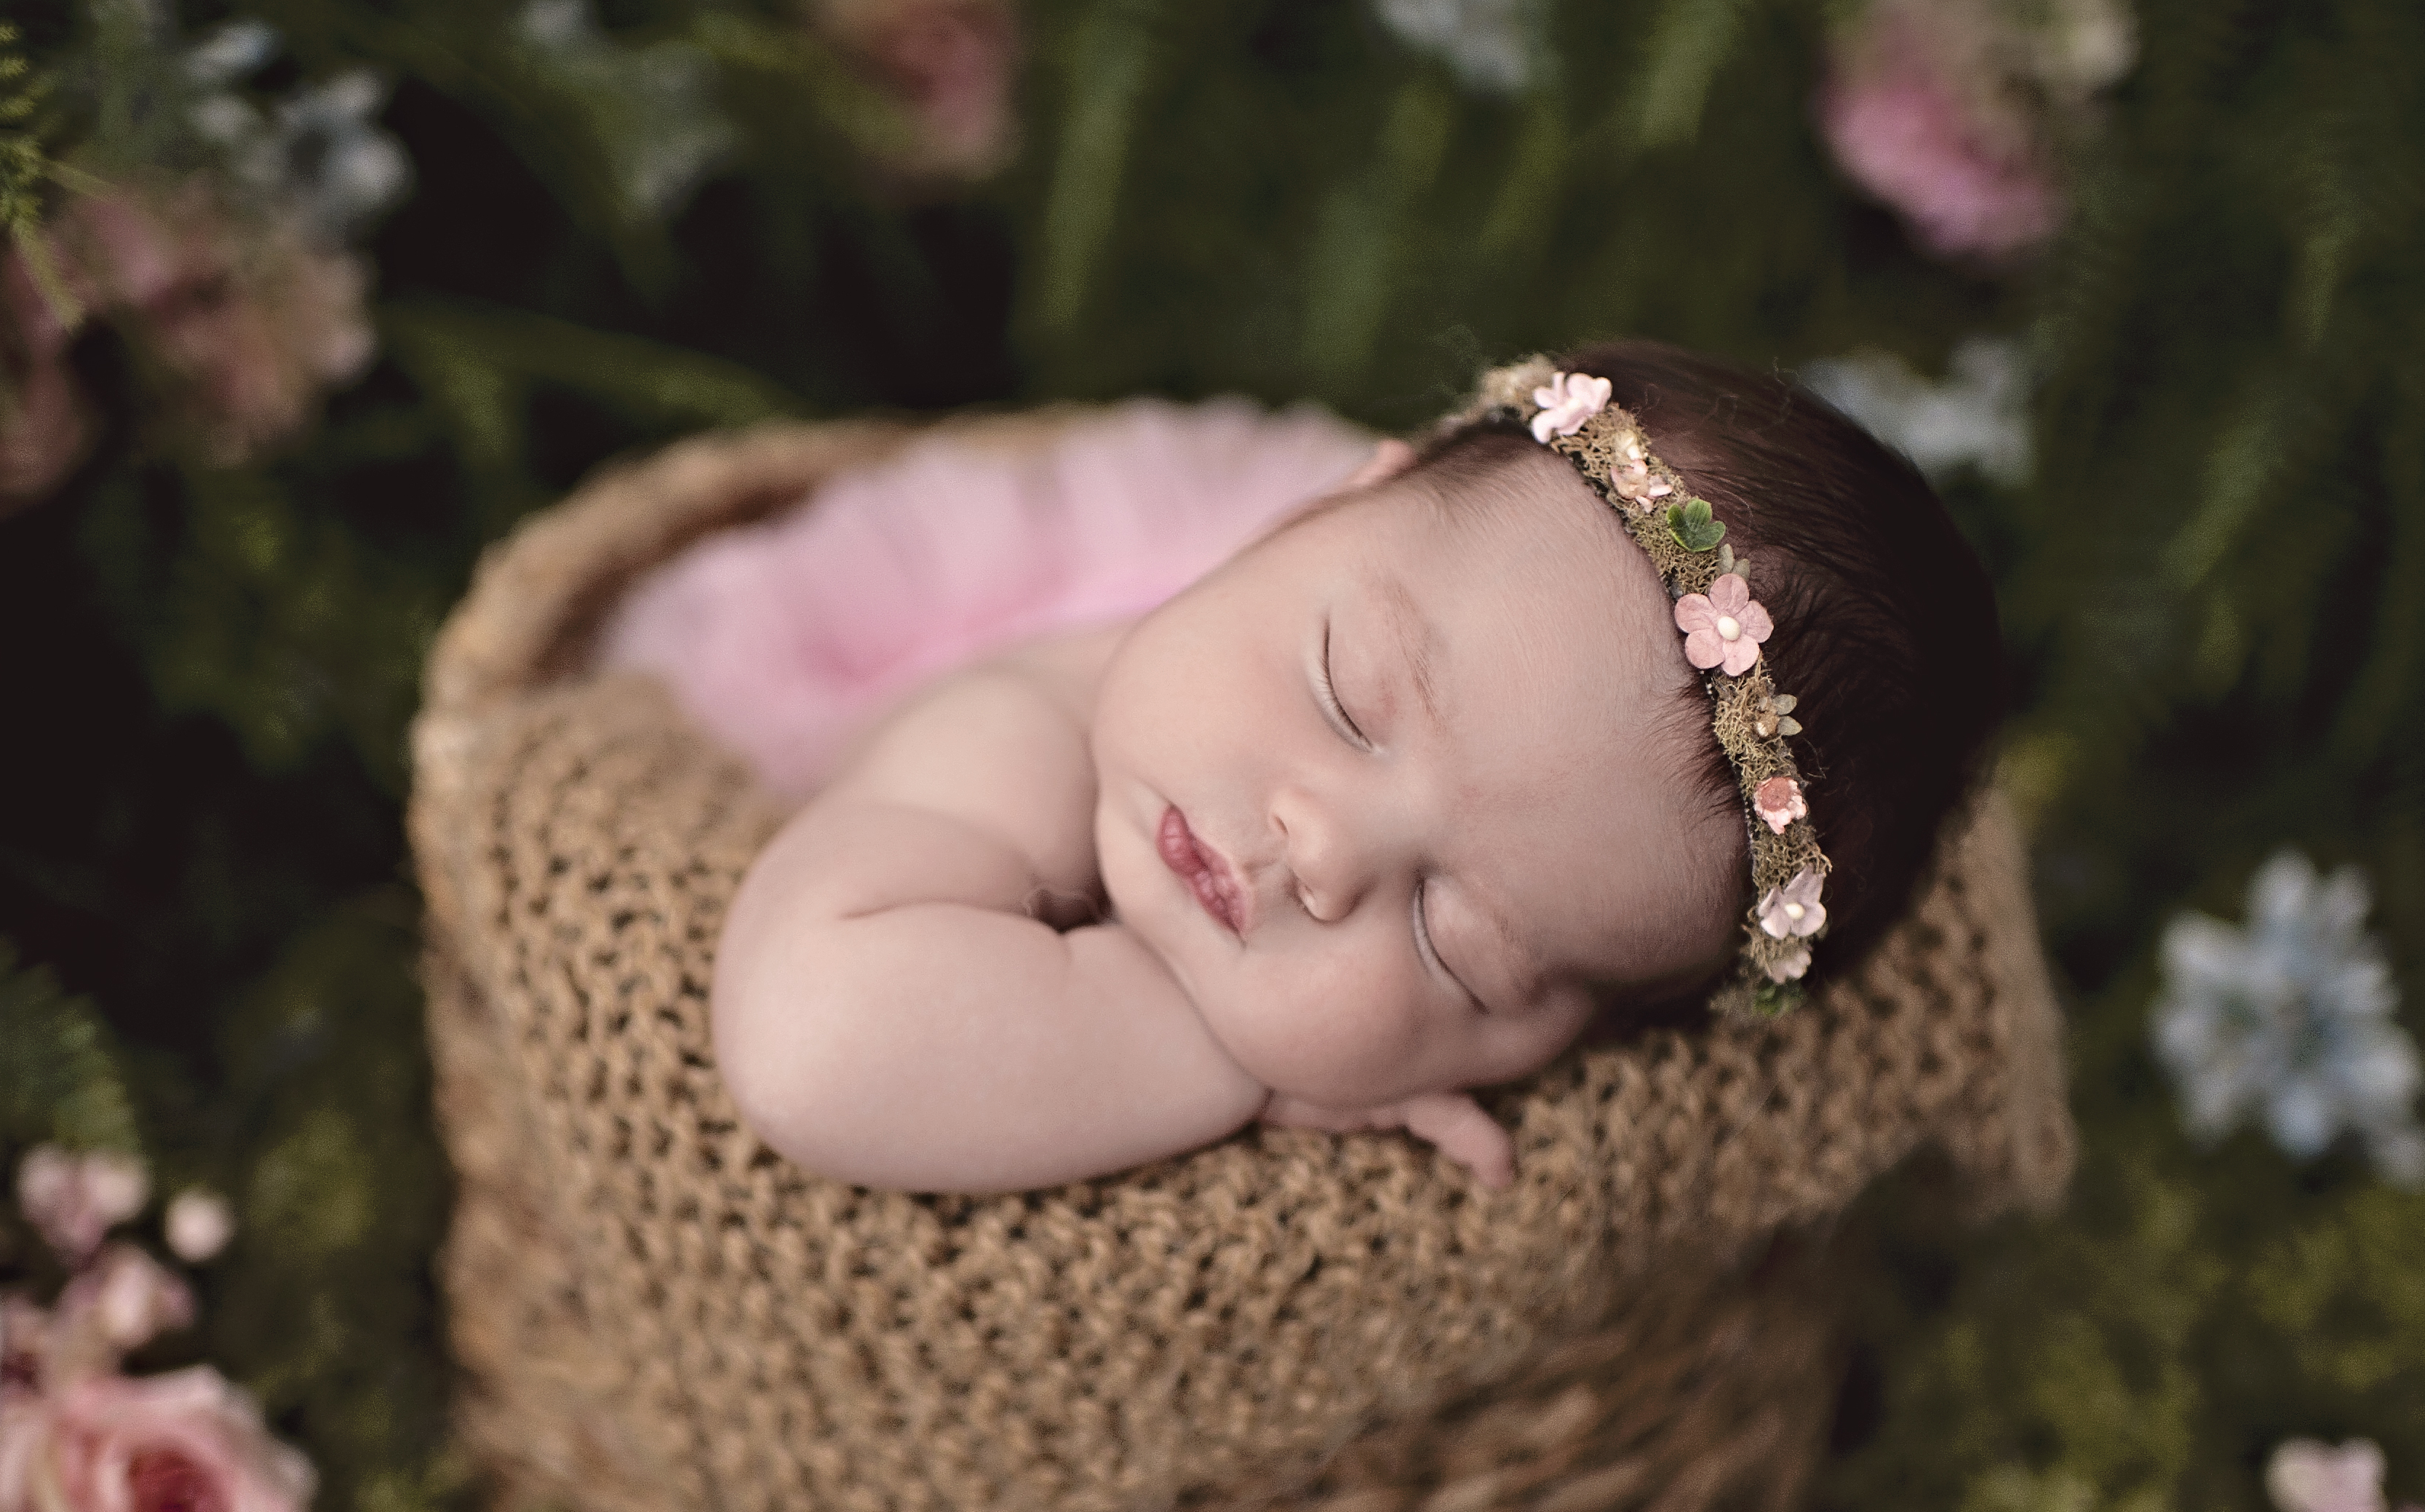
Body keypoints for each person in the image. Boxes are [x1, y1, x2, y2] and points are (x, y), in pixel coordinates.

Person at [704, 341, 2013, 1192]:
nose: (1320, 848)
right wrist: (1240, 1066)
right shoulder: (1015, 733)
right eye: (1343, 698)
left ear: (1545, 1050)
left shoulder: (1265, 690)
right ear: (1325, 505)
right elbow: (813, 1045)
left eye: (1454, 939)